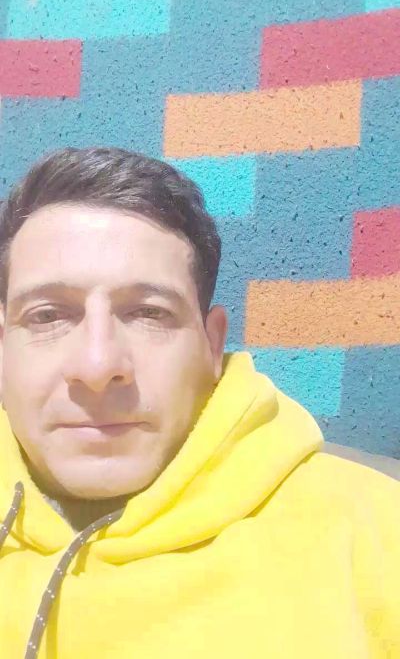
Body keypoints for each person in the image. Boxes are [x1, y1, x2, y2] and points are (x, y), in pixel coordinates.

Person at [0, 148, 398, 659]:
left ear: (212, 346)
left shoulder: (377, 533)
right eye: (48, 315)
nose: (98, 367)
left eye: (148, 313)